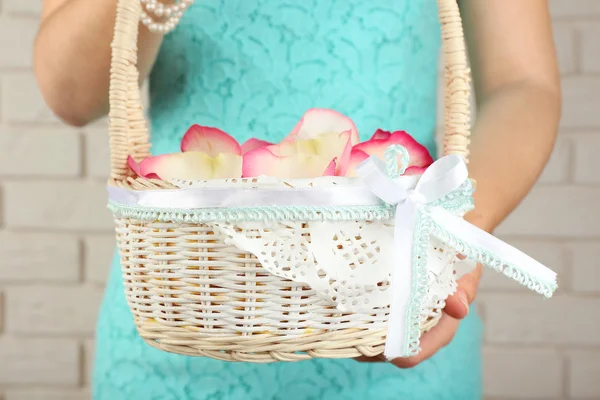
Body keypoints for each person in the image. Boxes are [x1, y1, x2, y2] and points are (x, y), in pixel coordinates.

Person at [34, 0, 561, 399]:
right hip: (181, 319)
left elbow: (523, 81)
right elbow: (72, 94)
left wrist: (456, 229)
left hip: (396, 309)